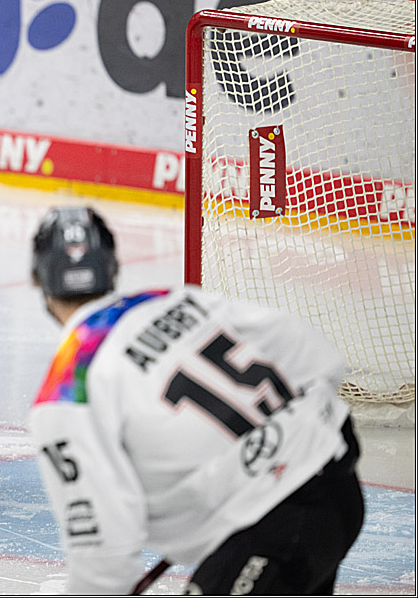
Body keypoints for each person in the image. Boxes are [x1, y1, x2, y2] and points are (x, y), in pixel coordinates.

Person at [28, 206, 365, 594]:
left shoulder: (66, 393)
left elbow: (101, 549)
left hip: (271, 529)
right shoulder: (177, 302)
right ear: (114, 267)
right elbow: (315, 355)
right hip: (340, 483)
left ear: (38, 279)